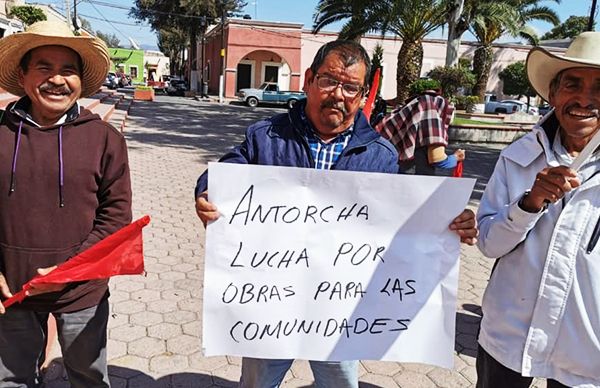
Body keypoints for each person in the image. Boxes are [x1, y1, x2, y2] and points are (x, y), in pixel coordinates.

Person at [195, 40, 478, 388]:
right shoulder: (266, 136)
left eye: (350, 87)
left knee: (340, 383)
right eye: (329, 81)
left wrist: (447, 222)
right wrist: (209, 190)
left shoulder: (380, 154)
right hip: (270, 303)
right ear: (309, 80)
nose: (338, 95)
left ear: (361, 95)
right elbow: (227, 172)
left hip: (340, 311)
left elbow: (402, 219)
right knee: (258, 382)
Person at [0, 20, 132, 387]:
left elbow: (116, 217)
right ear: (24, 76)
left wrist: (68, 271)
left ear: (79, 81)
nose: (57, 80)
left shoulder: (105, 139)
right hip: (11, 290)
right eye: (44, 67)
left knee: (89, 377)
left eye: (68, 70)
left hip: (82, 289)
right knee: (10, 380)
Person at [475, 31, 600, 388]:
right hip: (508, 338)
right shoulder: (518, 158)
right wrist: (529, 204)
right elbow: (488, 244)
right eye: (572, 84)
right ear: (553, 93)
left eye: (599, 88)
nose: (584, 99)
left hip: (585, 355)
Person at [376, 89, 465, 175]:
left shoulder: (405, 118)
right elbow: (437, 159)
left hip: (394, 175)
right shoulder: (433, 122)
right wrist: (456, 157)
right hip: (417, 180)